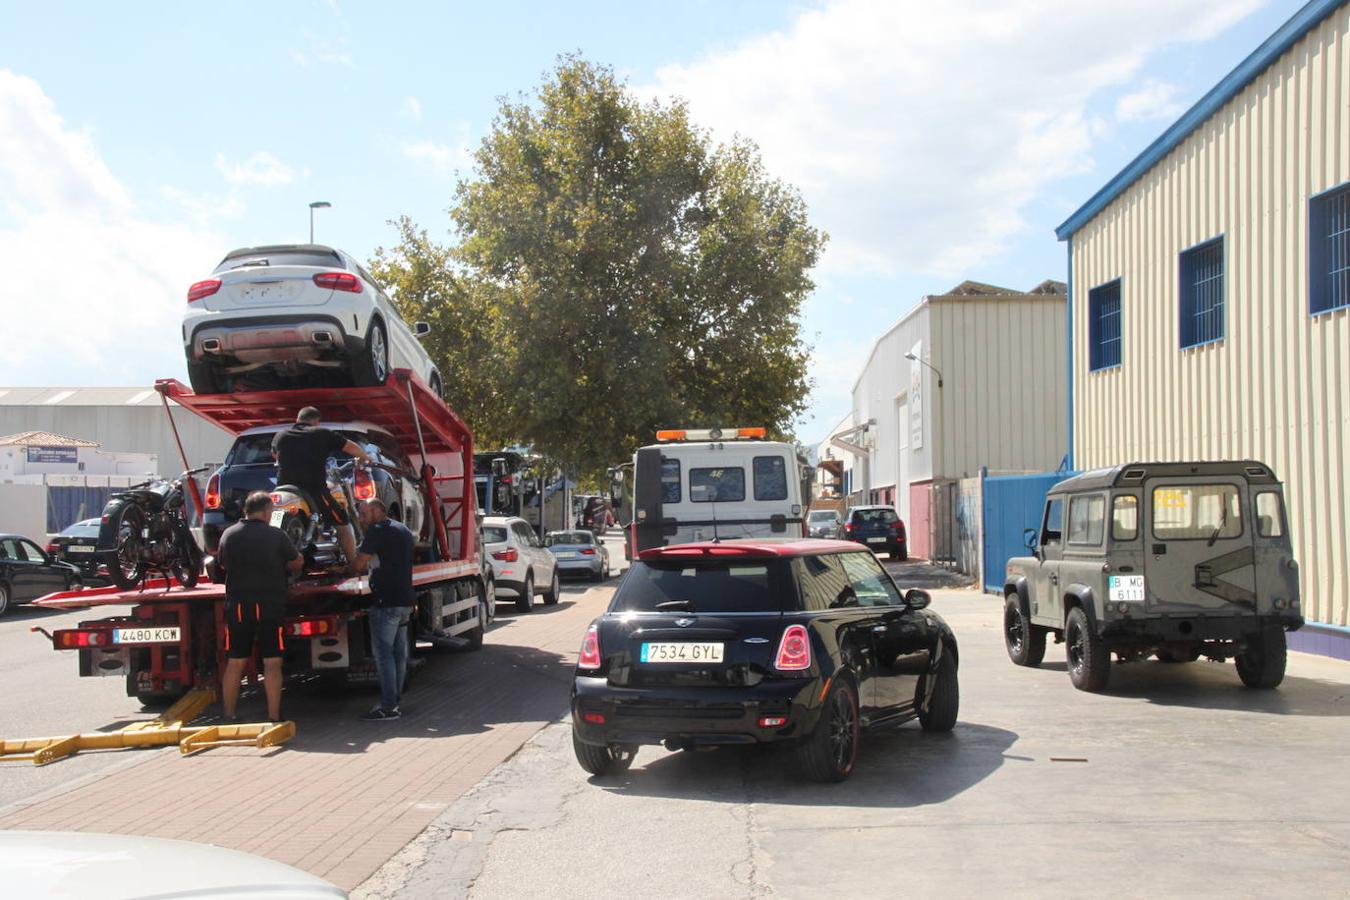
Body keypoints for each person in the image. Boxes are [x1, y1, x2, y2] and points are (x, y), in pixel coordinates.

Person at [217, 490, 303, 722]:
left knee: (235, 662)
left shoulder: (228, 535)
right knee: (272, 662)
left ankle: (228, 714)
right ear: (266, 511)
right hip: (270, 605)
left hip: (238, 605)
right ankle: (274, 716)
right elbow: (296, 563)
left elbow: (221, 563)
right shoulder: (276, 535)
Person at [272, 406, 371, 572]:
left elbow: (274, 455)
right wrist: (364, 457)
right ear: (316, 421)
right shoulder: (322, 433)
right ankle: (353, 564)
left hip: (283, 489)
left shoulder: (280, 435)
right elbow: (349, 446)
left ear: (298, 420)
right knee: (341, 520)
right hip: (313, 489)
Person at [351, 498, 416, 721]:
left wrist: (346, 564)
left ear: (378, 510)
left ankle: (388, 707)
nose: (361, 518)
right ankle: (395, 702)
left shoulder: (377, 531)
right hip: (405, 599)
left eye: (364, 513)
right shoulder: (403, 530)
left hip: (385, 601)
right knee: (399, 654)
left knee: (384, 655)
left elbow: (359, 564)